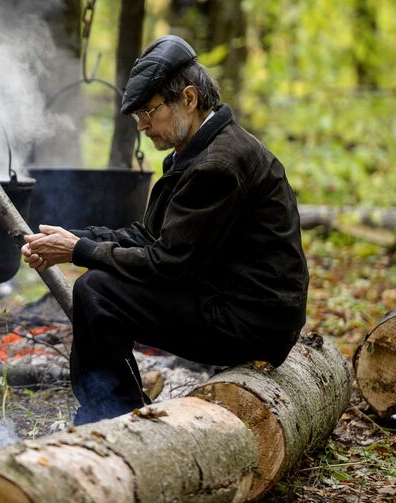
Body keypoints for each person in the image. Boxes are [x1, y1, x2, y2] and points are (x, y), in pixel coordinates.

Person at [22, 35, 309, 425]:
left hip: (251, 323)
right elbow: (149, 236)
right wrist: (74, 238)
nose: (141, 125)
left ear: (189, 99)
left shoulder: (218, 165)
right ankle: (117, 407)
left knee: (98, 291)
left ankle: (109, 416)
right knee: (100, 285)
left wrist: (79, 251)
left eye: (148, 111)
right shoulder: (197, 151)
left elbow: (166, 264)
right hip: (227, 299)